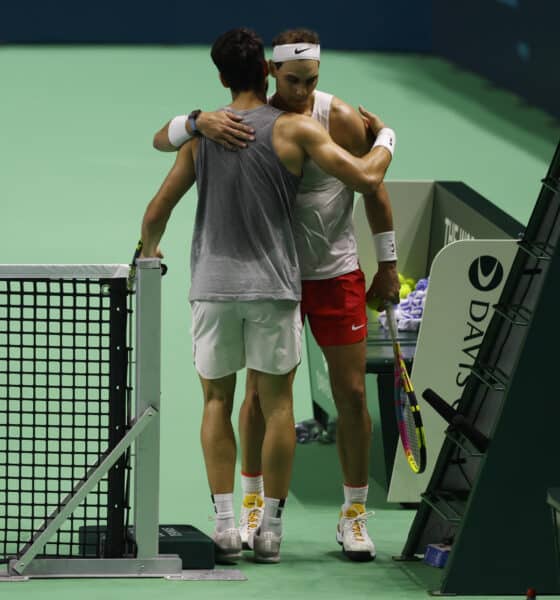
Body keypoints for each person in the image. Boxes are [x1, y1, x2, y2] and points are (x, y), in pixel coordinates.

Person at [145, 28, 396, 563]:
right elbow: (163, 140)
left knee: (351, 396)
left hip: (327, 274)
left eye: (312, 81)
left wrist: (389, 263)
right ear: (269, 72)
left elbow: (371, 186)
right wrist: (196, 121)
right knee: (260, 401)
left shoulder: (337, 120)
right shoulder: (245, 127)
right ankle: (255, 510)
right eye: (293, 80)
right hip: (275, 282)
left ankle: (352, 516)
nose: (304, 90)